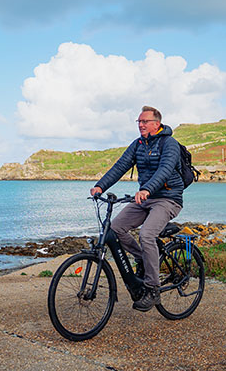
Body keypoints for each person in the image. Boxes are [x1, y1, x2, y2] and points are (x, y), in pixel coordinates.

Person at [90, 106, 183, 311]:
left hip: (168, 199)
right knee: (115, 229)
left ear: (156, 124)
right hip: (144, 198)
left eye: (144, 121)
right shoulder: (138, 144)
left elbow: (165, 170)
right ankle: (142, 258)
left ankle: (153, 289)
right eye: (138, 122)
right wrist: (100, 186)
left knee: (147, 234)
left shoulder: (170, 144)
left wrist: (147, 189)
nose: (140, 125)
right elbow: (120, 166)